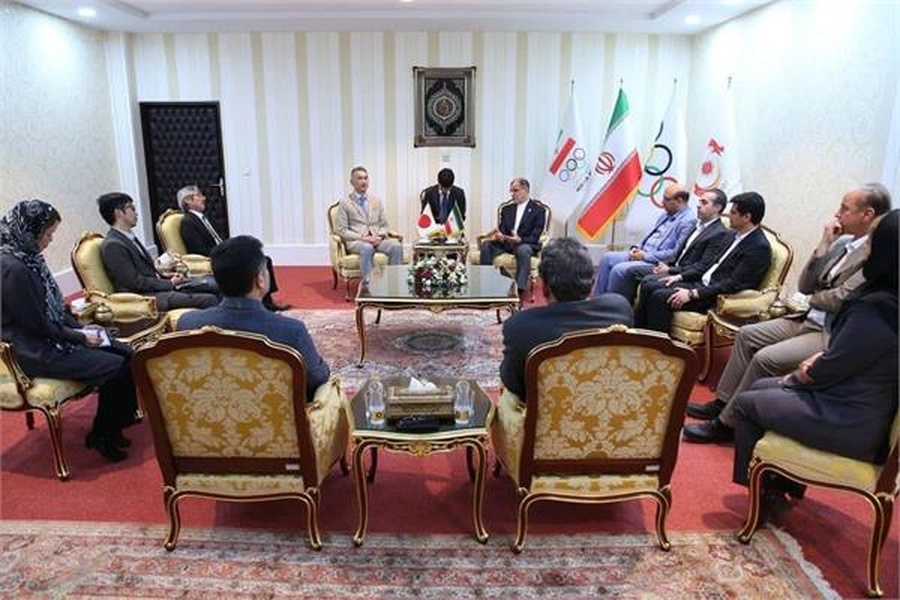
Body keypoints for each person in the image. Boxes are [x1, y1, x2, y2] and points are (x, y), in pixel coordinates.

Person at [684, 184, 892, 443]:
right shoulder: (842, 244)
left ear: (867, 214)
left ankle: (728, 423)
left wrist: (811, 298)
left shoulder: (876, 253)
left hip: (829, 331)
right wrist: (824, 244)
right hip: (806, 318)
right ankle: (722, 402)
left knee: (765, 358)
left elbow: (840, 298)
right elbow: (805, 285)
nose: (837, 213)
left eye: (845, 208)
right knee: (747, 335)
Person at [731, 209, 898, 518]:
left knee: (746, 403)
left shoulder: (879, 308)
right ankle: (783, 484)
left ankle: (762, 496)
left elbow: (831, 368)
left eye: (872, 242)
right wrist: (813, 368)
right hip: (858, 402)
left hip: (851, 420)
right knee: (761, 385)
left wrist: (796, 377)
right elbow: (851, 356)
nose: (866, 248)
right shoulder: (888, 298)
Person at [0, 199, 137, 462]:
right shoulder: (13, 268)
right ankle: (102, 435)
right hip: (33, 350)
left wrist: (82, 328)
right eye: (47, 234)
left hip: (51, 335)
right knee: (114, 366)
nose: (50, 240)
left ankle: (115, 424)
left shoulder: (27, 258)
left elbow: (54, 308)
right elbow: (37, 325)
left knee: (125, 352)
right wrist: (80, 336)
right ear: (28, 230)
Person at [177, 235, 330, 399]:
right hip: (274, 414)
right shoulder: (291, 331)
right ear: (260, 280)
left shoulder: (187, 324)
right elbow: (317, 379)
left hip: (207, 413)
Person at [499, 237, 633, 398]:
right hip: (608, 406)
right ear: (592, 281)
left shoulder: (519, 326)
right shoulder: (619, 309)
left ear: (545, 286)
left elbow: (513, 384)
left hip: (547, 412)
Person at [634, 192, 771, 334]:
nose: (728, 216)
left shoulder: (758, 247)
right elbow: (706, 264)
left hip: (714, 295)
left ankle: (657, 344)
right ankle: (636, 335)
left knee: (660, 297)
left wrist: (693, 294)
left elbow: (733, 284)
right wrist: (679, 277)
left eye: (733, 213)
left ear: (747, 217)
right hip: (700, 282)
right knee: (649, 284)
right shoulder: (731, 234)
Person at [97, 192, 218, 311]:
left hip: (158, 288)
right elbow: (133, 282)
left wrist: (166, 277)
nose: (136, 213)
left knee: (216, 284)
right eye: (132, 208)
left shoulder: (128, 237)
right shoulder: (113, 245)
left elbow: (146, 272)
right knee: (209, 299)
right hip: (147, 298)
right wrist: (169, 283)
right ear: (118, 212)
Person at [176, 184, 289, 311]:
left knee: (264, 259)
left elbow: (220, 239)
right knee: (261, 261)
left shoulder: (205, 218)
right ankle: (263, 305)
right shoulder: (188, 222)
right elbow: (199, 250)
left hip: (224, 253)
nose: (204, 198)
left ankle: (267, 302)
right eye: (199, 195)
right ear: (188, 200)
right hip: (215, 259)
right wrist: (226, 253)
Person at [595, 183, 696, 300]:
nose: (662, 202)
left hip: (656, 261)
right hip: (642, 252)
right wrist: (635, 248)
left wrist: (645, 256)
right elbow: (650, 236)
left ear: (679, 201)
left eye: (667, 199)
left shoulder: (688, 221)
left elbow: (674, 253)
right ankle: (598, 301)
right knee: (607, 258)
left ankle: (612, 306)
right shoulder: (666, 214)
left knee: (619, 270)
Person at [639, 188, 733, 291]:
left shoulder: (719, 233)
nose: (698, 205)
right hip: (673, 267)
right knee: (635, 272)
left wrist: (670, 270)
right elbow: (679, 252)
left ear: (717, 208)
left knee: (649, 283)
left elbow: (702, 266)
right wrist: (666, 265)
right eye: (699, 201)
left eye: (704, 202)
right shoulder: (696, 225)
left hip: (687, 276)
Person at [334, 166, 404, 283]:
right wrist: (363, 238)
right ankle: (370, 286)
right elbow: (342, 230)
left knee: (396, 246)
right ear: (352, 182)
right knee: (367, 247)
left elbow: (384, 225)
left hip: (377, 240)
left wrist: (379, 237)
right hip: (357, 242)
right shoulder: (345, 203)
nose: (363, 181)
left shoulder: (376, 200)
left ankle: (393, 283)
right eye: (359, 178)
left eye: (365, 178)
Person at [479, 178, 547, 296]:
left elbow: (535, 236)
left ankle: (518, 290)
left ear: (525, 190)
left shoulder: (538, 211)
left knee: (523, 250)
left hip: (525, 244)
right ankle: (487, 283)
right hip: (507, 243)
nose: (512, 194)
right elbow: (502, 229)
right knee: (486, 245)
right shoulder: (507, 209)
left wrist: (520, 240)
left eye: (516, 190)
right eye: (511, 191)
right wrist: (500, 236)